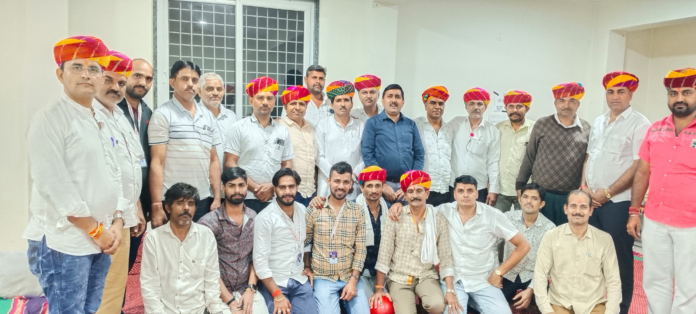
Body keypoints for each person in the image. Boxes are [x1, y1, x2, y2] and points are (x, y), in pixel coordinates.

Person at [25, 36, 123, 314]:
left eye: (93, 69)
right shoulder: (50, 118)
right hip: (65, 240)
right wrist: (96, 230)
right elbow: (53, 183)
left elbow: (116, 172)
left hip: (102, 235)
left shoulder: (99, 117)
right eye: (77, 67)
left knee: (90, 309)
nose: (86, 75)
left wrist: (117, 220)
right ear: (60, 74)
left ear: (102, 76)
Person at [387, 175, 531, 314]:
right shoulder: (443, 211)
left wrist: (499, 272)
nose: (465, 195)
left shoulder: (492, 215)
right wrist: (399, 204)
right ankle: (467, 302)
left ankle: (472, 302)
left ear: (477, 193)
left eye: (470, 191)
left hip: (483, 281)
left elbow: (523, 246)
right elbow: (417, 208)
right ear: (454, 194)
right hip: (453, 282)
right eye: (460, 191)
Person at [627, 67, 696, 314]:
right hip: (655, 219)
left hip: (691, 225)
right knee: (654, 280)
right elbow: (643, 173)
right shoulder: (655, 129)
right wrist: (634, 211)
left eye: (687, 92)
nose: (679, 98)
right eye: (673, 92)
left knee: (690, 285)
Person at [580, 71, 649, 314]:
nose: (615, 97)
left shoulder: (640, 124)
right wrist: (584, 189)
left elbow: (638, 166)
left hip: (617, 204)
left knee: (619, 261)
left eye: (621, 92)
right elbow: (589, 157)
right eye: (611, 91)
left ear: (631, 95)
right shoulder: (599, 121)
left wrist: (607, 193)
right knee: (592, 256)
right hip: (593, 202)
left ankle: (620, 308)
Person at [92, 51, 147, 314]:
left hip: (122, 218)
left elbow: (130, 167)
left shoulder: (118, 116)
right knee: (96, 290)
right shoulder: (88, 115)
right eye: (109, 80)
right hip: (99, 223)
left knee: (115, 287)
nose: (116, 88)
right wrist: (113, 218)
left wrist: (134, 207)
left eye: (121, 83)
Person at [370, 171, 457, 314]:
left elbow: (446, 256)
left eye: (419, 191)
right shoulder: (395, 216)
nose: (415, 195)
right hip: (399, 277)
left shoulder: (438, 219)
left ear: (427, 194)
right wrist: (379, 287)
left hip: (426, 275)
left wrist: (450, 290)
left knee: (437, 305)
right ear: (405, 195)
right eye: (410, 191)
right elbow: (384, 253)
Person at [148, 60, 222, 225]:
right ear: (173, 82)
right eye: (185, 79)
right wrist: (156, 205)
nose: (191, 84)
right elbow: (157, 162)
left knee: (198, 248)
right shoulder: (163, 115)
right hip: (173, 200)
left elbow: (214, 160)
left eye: (195, 80)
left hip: (202, 199)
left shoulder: (208, 116)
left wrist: (216, 197)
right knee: (171, 249)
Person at [140, 183, 224, 314]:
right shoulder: (153, 238)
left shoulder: (206, 235)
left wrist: (216, 311)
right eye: (180, 203)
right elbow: (150, 285)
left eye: (191, 204)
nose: (186, 208)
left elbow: (211, 279)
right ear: (168, 207)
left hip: (198, 310)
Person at [307, 166, 390, 295]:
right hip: (358, 272)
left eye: (378, 186)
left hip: (382, 271)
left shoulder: (390, 210)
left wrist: (398, 205)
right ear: (361, 188)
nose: (374, 190)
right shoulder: (351, 208)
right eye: (369, 186)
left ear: (383, 187)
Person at [516, 82, 591, 226]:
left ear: (578, 104)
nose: (566, 105)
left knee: (565, 238)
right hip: (542, 194)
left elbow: (587, 162)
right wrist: (520, 184)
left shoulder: (586, 128)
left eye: (572, 101)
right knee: (540, 235)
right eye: (562, 101)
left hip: (571, 196)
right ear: (555, 103)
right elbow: (530, 155)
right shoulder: (542, 123)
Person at [534, 190, 621, 314]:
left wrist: (611, 312)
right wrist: (547, 310)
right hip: (560, 303)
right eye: (573, 206)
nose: (578, 212)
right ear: (565, 209)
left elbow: (613, 281)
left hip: (593, 305)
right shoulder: (551, 237)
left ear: (591, 211)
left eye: (583, 207)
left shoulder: (604, 240)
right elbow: (540, 275)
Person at [198, 167, 268, 314]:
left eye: (241, 185)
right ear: (223, 188)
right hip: (217, 293)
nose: (237, 190)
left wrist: (250, 289)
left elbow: (256, 257)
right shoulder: (209, 223)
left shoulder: (253, 217)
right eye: (231, 185)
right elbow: (204, 268)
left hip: (246, 289)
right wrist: (230, 302)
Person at [305, 162, 369, 313]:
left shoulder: (357, 211)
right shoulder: (315, 208)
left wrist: (353, 280)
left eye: (346, 182)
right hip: (323, 277)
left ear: (351, 184)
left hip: (349, 275)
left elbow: (361, 250)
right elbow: (304, 242)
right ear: (328, 181)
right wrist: (306, 266)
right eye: (337, 181)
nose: (341, 186)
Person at [225, 76, 295, 213]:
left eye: (269, 98)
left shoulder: (282, 130)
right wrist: (256, 188)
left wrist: (273, 187)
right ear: (251, 100)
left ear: (274, 102)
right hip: (245, 197)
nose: (265, 102)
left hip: (275, 197)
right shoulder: (238, 128)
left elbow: (287, 164)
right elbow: (230, 163)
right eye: (260, 98)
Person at [253, 169, 318, 314]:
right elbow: (260, 262)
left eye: (291, 187)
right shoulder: (264, 218)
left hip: (299, 278)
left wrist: (307, 265)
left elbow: (305, 242)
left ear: (297, 187)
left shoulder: (302, 210)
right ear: (275, 189)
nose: (287, 191)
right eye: (282, 187)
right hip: (275, 282)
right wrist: (277, 295)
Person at [117, 58, 155, 271]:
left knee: (128, 260)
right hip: (120, 198)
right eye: (137, 76)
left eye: (148, 78)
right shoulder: (112, 108)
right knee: (113, 262)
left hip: (142, 196)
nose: (143, 82)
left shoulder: (148, 113)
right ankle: (110, 305)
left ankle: (118, 305)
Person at [362, 84, 425, 203]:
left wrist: (410, 183)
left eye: (397, 97)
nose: (393, 100)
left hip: (408, 188)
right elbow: (367, 154)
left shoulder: (410, 124)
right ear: (383, 100)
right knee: (384, 220)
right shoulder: (372, 123)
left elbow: (419, 154)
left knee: (407, 220)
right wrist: (382, 184)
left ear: (403, 101)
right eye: (390, 96)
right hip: (382, 187)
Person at [500, 183, 555, 312]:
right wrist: (496, 271)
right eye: (525, 197)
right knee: (492, 305)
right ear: (519, 199)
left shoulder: (550, 228)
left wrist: (531, 289)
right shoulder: (507, 218)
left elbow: (547, 264)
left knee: (547, 305)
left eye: (534, 198)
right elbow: (492, 245)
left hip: (534, 275)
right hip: (509, 273)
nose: (529, 201)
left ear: (542, 204)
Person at [449, 87, 501, 205]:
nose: (476, 107)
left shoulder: (492, 131)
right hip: (454, 186)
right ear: (466, 106)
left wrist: (493, 189)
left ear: (485, 107)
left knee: (478, 220)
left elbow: (493, 162)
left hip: (479, 187)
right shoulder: (455, 124)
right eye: (471, 103)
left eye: (480, 104)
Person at [316, 80, 365, 200]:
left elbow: (364, 156)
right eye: (338, 100)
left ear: (352, 104)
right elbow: (319, 156)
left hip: (353, 186)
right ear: (331, 105)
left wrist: (351, 177)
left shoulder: (360, 125)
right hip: (327, 187)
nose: (343, 104)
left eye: (346, 100)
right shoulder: (323, 125)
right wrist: (336, 178)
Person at [495, 90, 535, 213]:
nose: (514, 110)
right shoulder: (498, 128)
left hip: (525, 189)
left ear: (527, 108)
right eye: (511, 106)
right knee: (497, 225)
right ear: (506, 108)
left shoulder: (534, 129)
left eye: (519, 106)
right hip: (501, 188)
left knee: (523, 225)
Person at [414, 86, 454, 206]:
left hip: (445, 187)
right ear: (425, 105)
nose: (437, 107)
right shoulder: (415, 125)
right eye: (433, 103)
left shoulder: (449, 129)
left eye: (441, 103)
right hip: (423, 186)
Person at [279, 85, 317, 207]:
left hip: (310, 192)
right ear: (285, 107)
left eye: (302, 104)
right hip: (288, 192)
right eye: (293, 103)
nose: (297, 108)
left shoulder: (311, 129)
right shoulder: (279, 128)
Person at [199, 72, 238, 175]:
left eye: (219, 89)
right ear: (199, 91)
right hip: (203, 177)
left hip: (228, 177)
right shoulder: (193, 116)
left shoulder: (231, 116)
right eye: (210, 89)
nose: (215, 93)